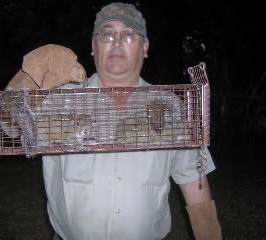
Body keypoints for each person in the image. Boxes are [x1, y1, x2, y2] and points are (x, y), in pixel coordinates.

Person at [40, 2, 221, 240]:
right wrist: (24, 85)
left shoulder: (172, 108)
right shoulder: (59, 99)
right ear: (93, 46)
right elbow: (9, 128)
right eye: (107, 34)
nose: (116, 42)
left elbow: (194, 181)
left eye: (128, 35)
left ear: (144, 47)